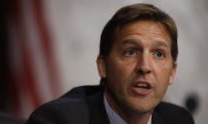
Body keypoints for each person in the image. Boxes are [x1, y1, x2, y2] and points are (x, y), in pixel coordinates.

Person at [27, 3, 194, 124]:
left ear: (172, 72)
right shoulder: (58, 120)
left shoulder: (178, 119)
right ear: (103, 66)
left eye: (158, 54)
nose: (144, 66)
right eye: (130, 52)